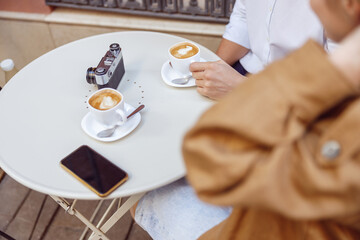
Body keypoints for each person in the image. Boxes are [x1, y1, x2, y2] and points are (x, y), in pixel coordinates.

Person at [133, 0, 360, 239]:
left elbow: (206, 159)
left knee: (150, 199)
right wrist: (213, 72)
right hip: (269, 99)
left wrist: (240, 90)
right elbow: (243, 15)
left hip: (272, 215)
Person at [191, 0, 337, 100]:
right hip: (243, 70)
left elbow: (333, 84)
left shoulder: (346, 9)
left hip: (296, 94)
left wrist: (242, 89)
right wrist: (211, 71)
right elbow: (243, 19)